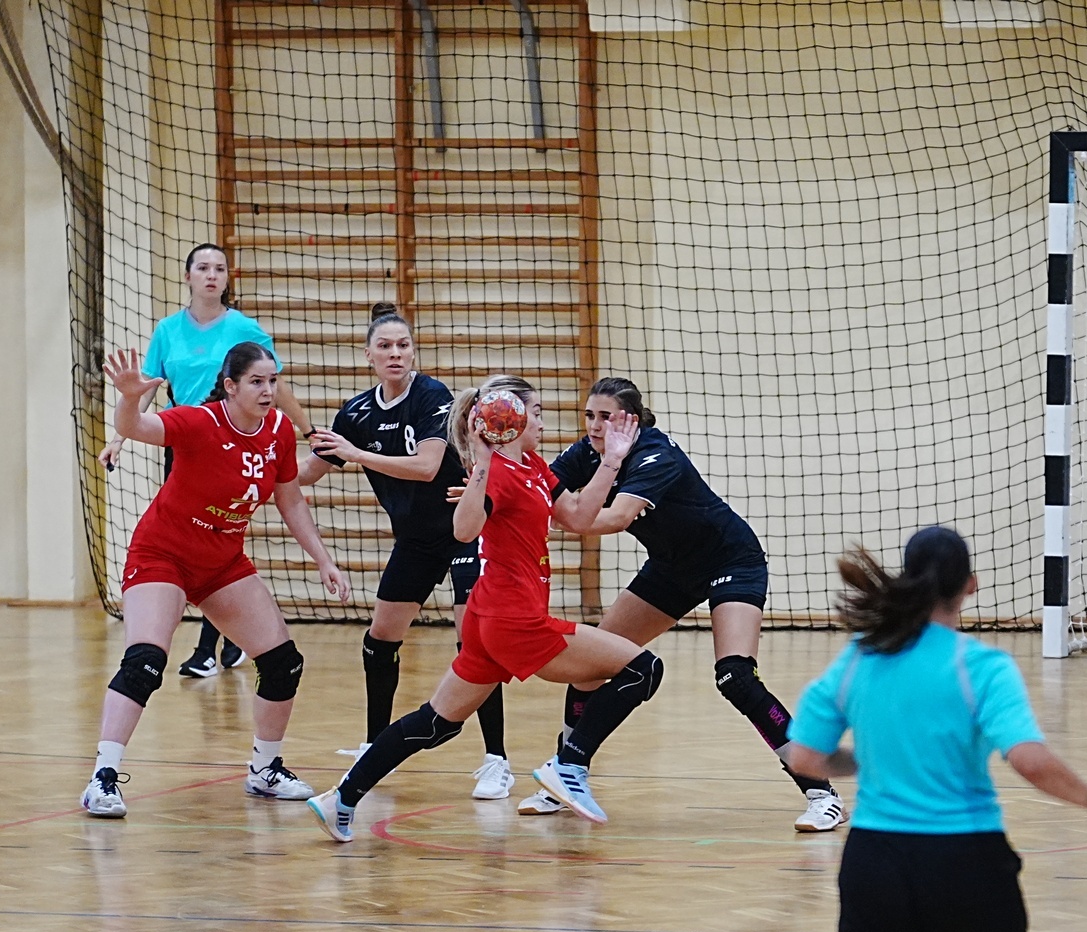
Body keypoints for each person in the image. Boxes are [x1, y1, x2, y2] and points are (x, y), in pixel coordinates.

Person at [784, 528, 1087, 932]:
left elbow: (803, 756)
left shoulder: (857, 659)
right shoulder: (982, 667)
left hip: (876, 865)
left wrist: (865, 760)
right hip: (966, 866)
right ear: (970, 585)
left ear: (908, 580)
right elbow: (1030, 760)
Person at [306, 374, 664, 842]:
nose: (543, 422)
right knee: (643, 669)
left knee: (436, 724)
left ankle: (340, 798)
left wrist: (613, 461)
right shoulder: (496, 472)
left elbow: (578, 516)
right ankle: (570, 764)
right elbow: (462, 530)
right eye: (536, 413)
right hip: (516, 620)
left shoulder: (534, 466)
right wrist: (480, 463)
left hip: (489, 617)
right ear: (512, 421)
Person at [512, 377, 847, 832]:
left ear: (631, 420)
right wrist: (487, 490)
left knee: (735, 677)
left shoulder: (655, 455)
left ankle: (821, 794)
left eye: (606, 416)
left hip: (730, 559)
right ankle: (568, 773)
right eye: (589, 415)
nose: (594, 425)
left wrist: (563, 513)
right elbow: (535, 489)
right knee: (590, 664)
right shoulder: (587, 452)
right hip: (672, 568)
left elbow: (614, 517)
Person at [79, 343, 348, 818]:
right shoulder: (200, 421)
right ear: (230, 386)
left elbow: (290, 500)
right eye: (256, 382)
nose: (268, 390)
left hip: (221, 562)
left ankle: (264, 769)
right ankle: (102, 777)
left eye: (273, 381)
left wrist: (324, 559)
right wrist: (129, 396)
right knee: (145, 662)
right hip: (163, 555)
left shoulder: (279, 431)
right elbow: (135, 427)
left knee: (283, 662)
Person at [298, 304, 512, 800]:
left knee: (474, 640)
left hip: (463, 529)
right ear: (368, 355)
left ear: (412, 352)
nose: (395, 353)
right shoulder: (356, 412)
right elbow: (308, 472)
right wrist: (261, 469)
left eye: (403, 345)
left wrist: (354, 453)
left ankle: (496, 760)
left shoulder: (432, 395)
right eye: (385, 346)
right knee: (380, 637)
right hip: (415, 539)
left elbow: (425, 466)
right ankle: (374, 747)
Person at [99, 242, 313, 680]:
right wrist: (119, 438)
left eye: (219, 268)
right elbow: (144, 390)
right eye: (203, 267)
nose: (212, 275)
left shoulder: (245, 328)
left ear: (227, 279)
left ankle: (207, 648)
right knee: (189, 533)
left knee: (220, 535)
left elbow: (275, 385)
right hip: (184, 441)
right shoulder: (168, 330)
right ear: (188, 276)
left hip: (235, 442)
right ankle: (221, 640)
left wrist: (308, 430)